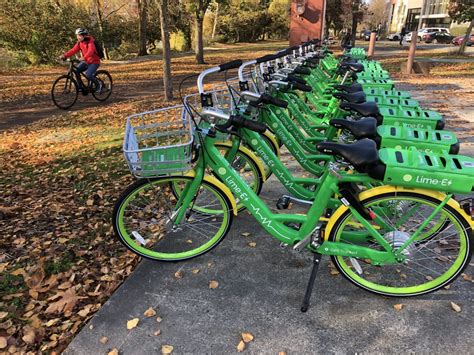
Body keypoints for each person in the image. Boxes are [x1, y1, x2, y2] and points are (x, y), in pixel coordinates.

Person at [60, 28, 101, 92]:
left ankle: (98, 85)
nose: (77, 37)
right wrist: (65, 55)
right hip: (86, 61)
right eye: (77, 35)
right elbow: (73, 50)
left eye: (79, 35)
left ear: (84, 36)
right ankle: (80, 87)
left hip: (94, 62)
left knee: (88, 74)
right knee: (76, 70)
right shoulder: (79, 43)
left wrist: (84, 57)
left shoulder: (90, 42)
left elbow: (91, 51)